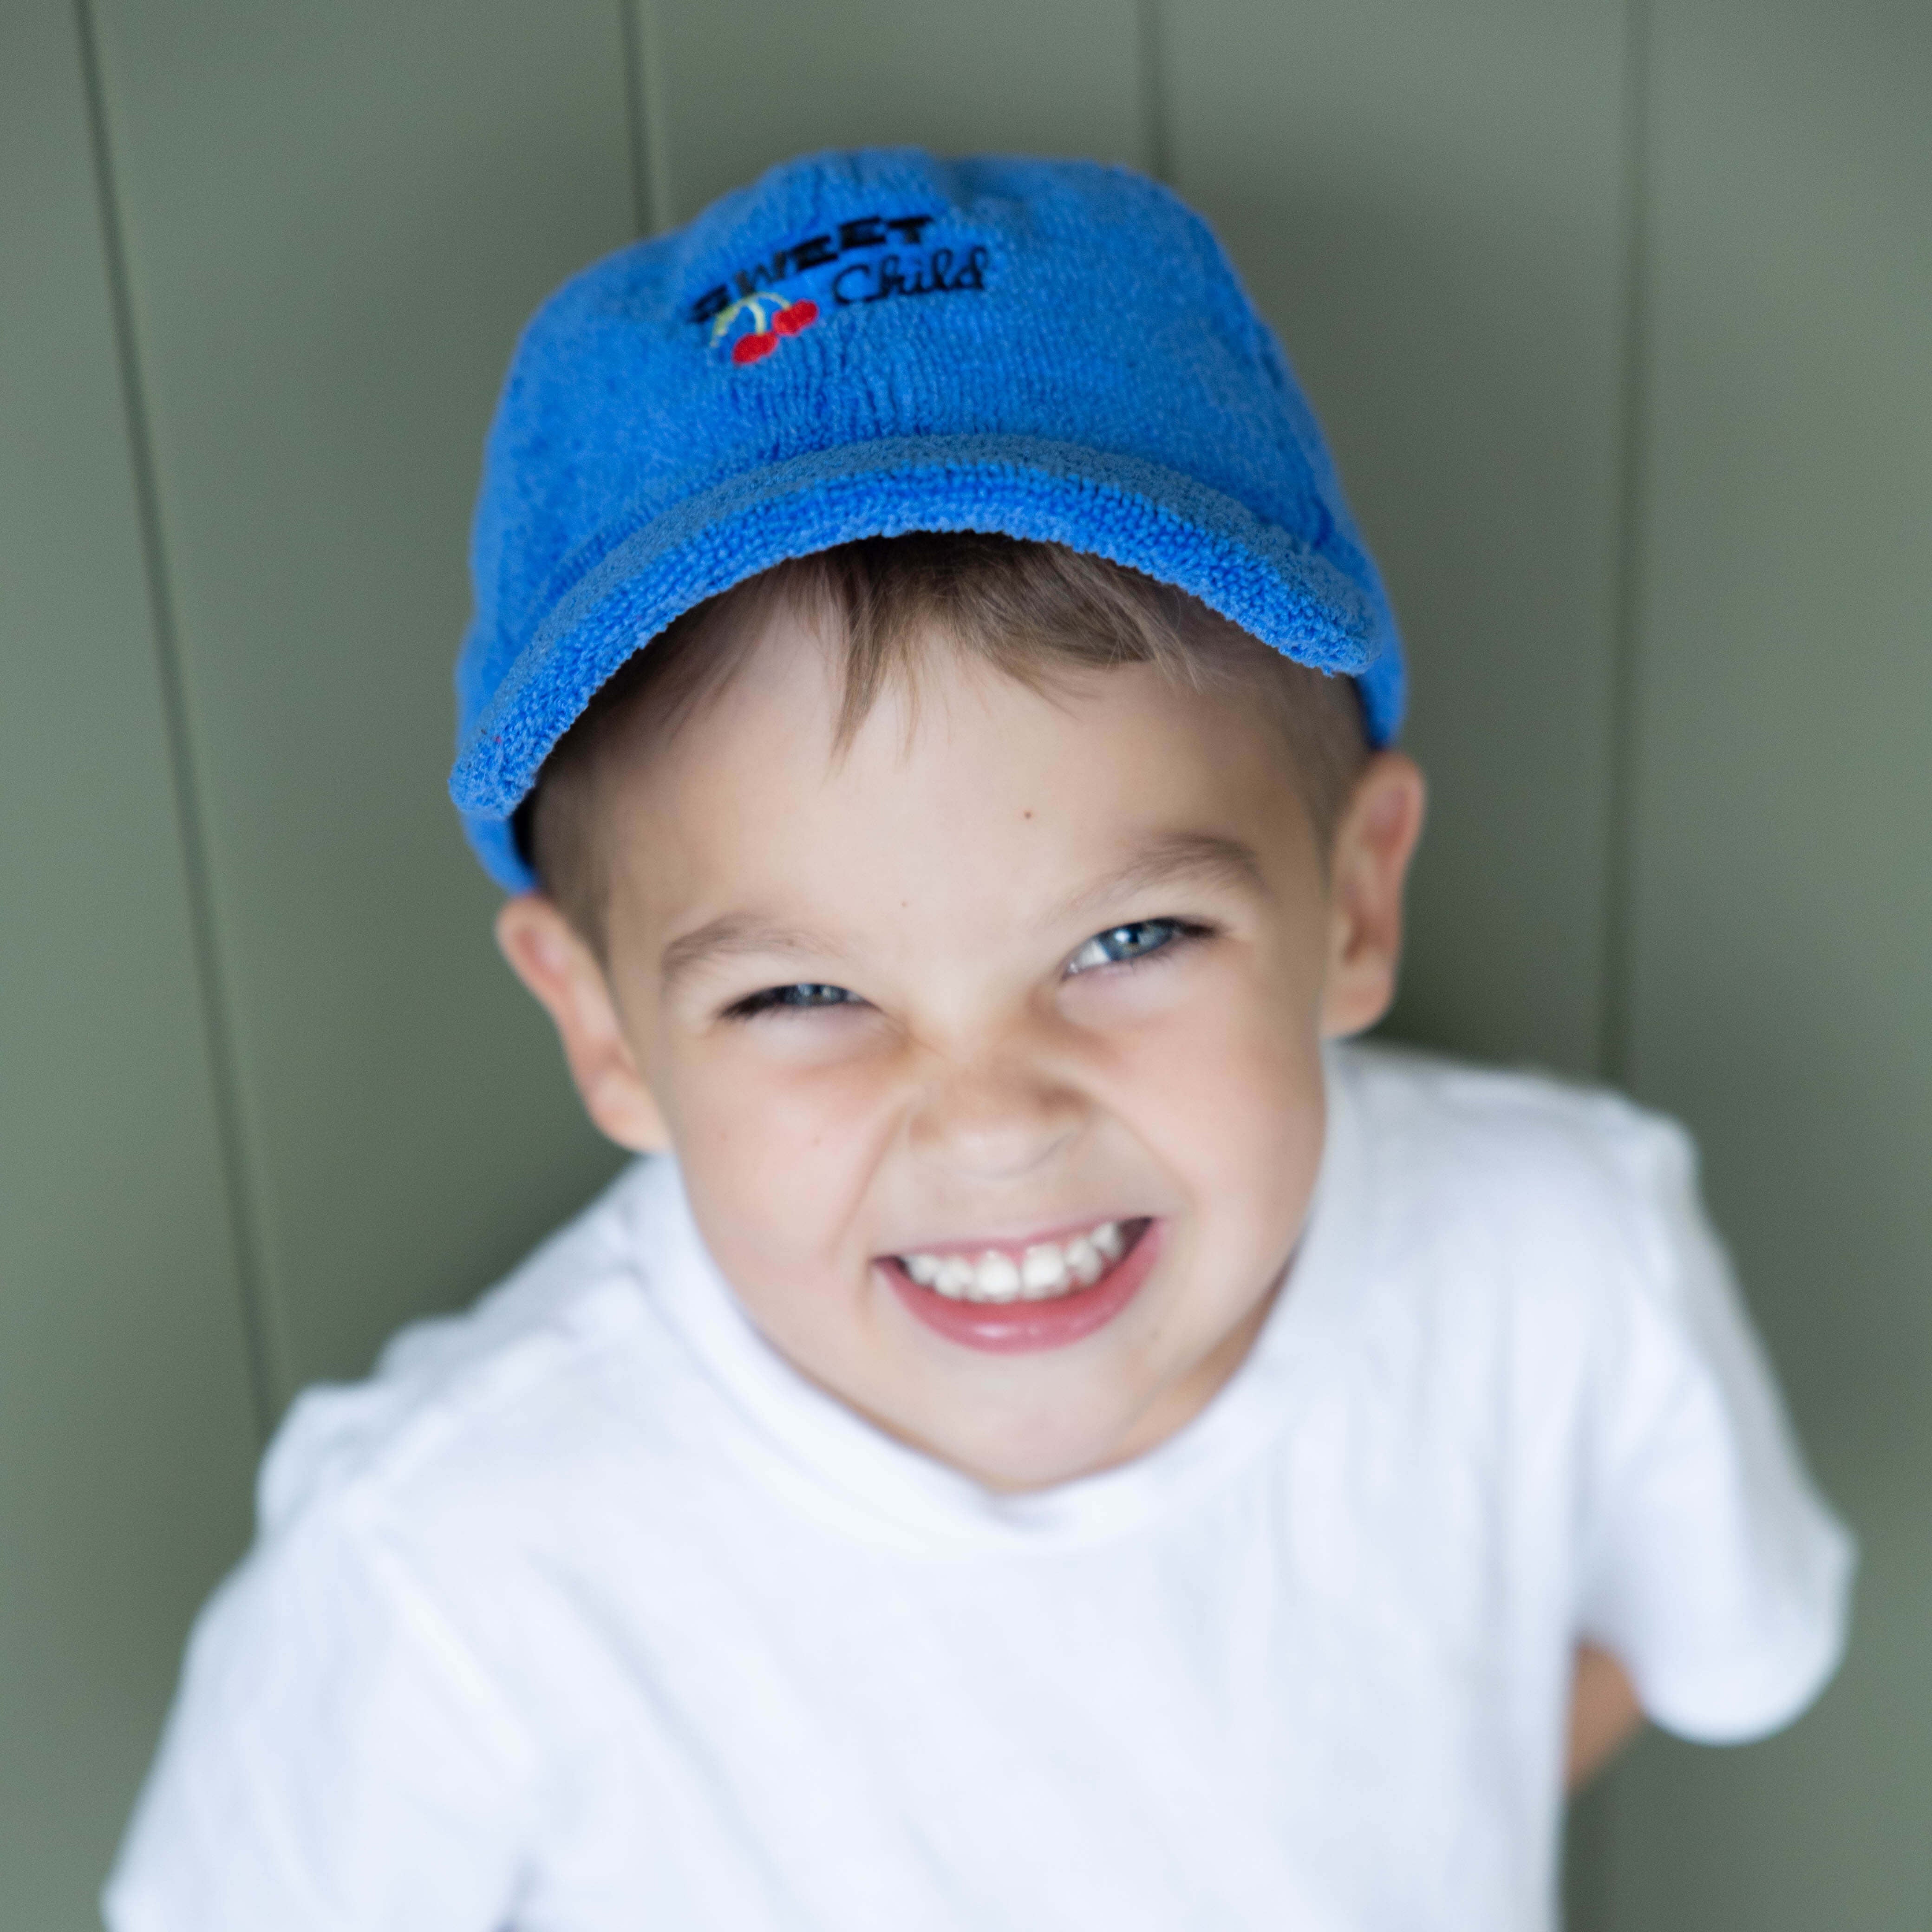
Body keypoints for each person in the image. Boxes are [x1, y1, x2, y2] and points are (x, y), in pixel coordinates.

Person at [104, 149, 1852, 1931]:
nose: (995, 1120)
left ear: (1357, 902)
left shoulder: (1560, 1264)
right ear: (603, 1028)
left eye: (1128, 937)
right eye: (801, 993)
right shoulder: (448, 1564)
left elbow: (1694, 1642)